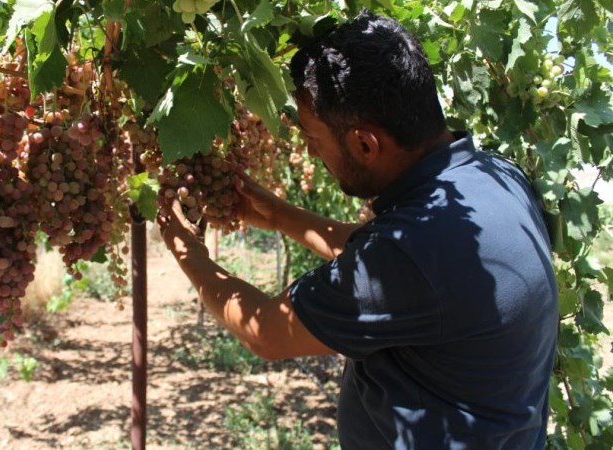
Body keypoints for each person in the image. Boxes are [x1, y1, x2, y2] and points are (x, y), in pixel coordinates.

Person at [157, 11, 558, 450]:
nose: (310, 151)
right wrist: (276, 215)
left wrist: (186, 249)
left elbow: (266, 332)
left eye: (313, 139)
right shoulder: (493, 178)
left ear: (366, 144)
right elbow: (397, 263)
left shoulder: (412, 251)